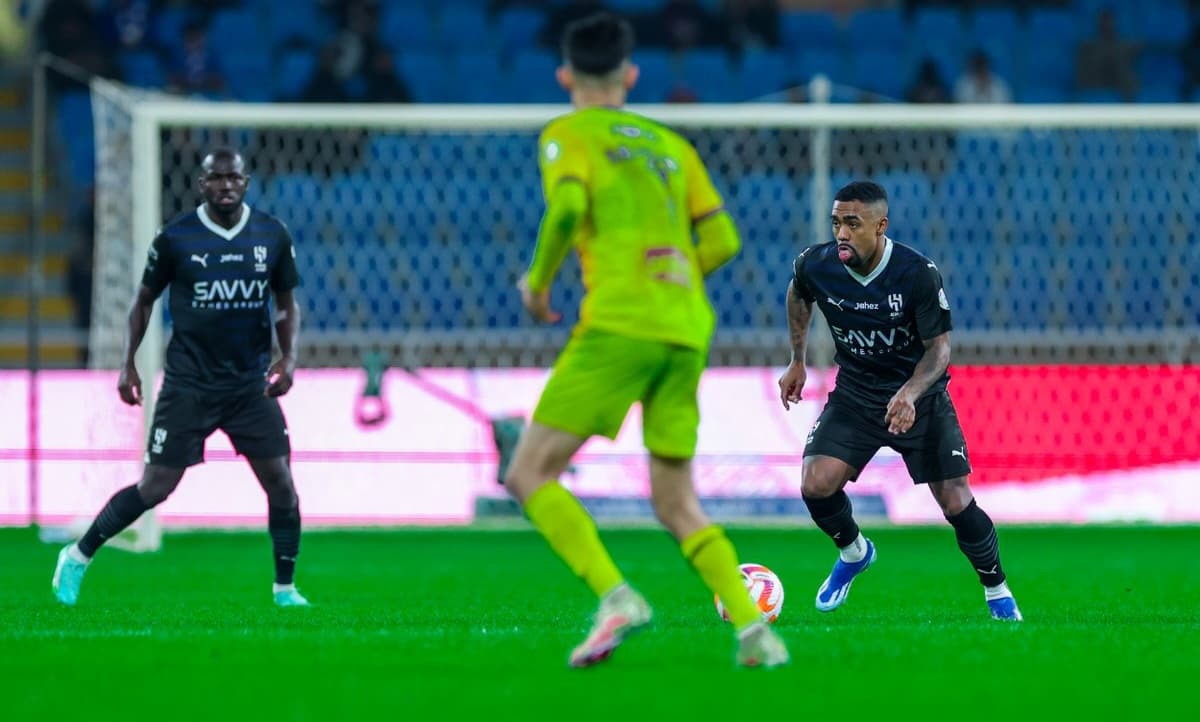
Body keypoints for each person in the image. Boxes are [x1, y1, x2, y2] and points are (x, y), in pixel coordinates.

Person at [506, 12, 789, 669]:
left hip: (620, 322)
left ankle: (617, 598)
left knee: (528, 472)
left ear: (565, 76)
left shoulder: (568, 133)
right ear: (631, 76)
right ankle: (755, 634)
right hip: (686, 326)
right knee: (675, 499)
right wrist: (675, 275)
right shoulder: (670, 145)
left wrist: (538, 286)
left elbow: (568, 208)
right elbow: (723, 238)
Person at [52, 149, 308, 608]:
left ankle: (285, 589)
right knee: (156, 487)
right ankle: (77, 555)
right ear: (201, 184)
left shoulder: (271, 234)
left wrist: (287, 359)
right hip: (190, 385)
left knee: (282, 484)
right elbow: (143, 301)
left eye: (234, 178)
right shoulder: (176, 237)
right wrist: (128, 363)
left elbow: (286, 303)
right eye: (216, 178)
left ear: (246, 182)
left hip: (249, 385)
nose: (226, 186)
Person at [777, 181, 1022, 621]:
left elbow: (939, 350)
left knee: (955, 501)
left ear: (880, 226)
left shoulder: (915, 273)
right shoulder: (817, 264)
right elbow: (798, 291)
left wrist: (909, 393)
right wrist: (797, 360)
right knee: (815, 484)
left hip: (920, 399)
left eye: (853, 224)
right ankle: (855, 552)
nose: (842, 234)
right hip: (856, 396)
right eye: (836, 223)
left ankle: (997, 591)